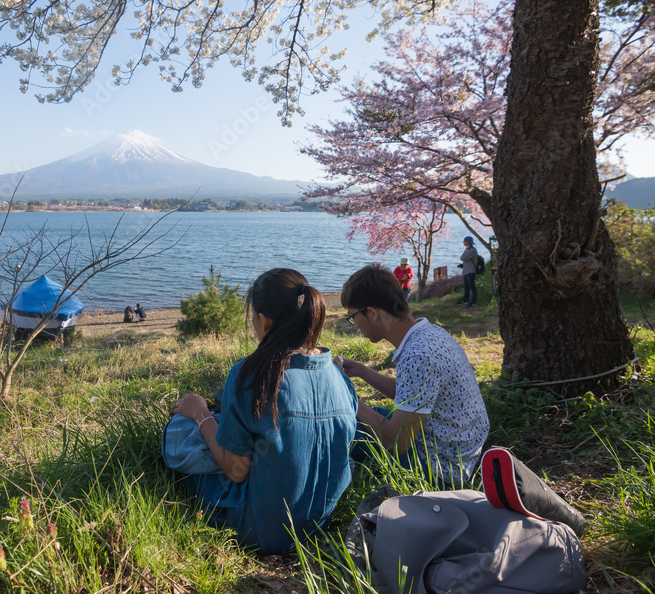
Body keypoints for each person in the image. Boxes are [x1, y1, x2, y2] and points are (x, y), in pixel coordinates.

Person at [172, 268, 358, 554]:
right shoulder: (340, 377)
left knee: (179, 431)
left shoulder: (250, 376)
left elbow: (236, 471)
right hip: (320, 523)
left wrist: (200, 415)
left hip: (261, 532)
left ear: (264, 320)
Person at [337, 264, 489, 488]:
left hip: (443, 468)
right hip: (461, 449)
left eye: (352, 317)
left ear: (371, 313)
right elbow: (414, 393)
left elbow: (395, 442)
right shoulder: (430, 333)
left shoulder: (419, 356)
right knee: (359, 418)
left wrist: (347, 397)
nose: (355, 325)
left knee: (339, 428)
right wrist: (362, 371)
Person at [460, 236, 478, 307]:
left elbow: (464, 258)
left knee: (472, 286)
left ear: (468, 242)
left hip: (471, 271)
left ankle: (473, 301)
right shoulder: (467, 250)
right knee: (466, 286)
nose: (463, 242)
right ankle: (465, 299)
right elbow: (462, 257)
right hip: (466, 271)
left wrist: (464, 257)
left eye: (465, 241)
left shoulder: (472, 250)